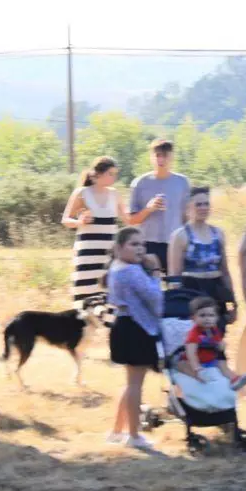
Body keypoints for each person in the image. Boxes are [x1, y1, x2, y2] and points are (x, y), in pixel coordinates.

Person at [103, 226, 163, 449]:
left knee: (130, 384)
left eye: (142, 245)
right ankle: (134, 435)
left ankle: (117, 431)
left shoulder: (116, 267)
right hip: (136, 328)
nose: (140, 249)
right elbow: (156, 299)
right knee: (136, 385)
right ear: (119, 248)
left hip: (124, 325)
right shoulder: (131, 271)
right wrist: (155, 271)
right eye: (134, 244)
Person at [167, 186, 236, 334]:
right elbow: (175, 275)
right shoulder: (180, 235)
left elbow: (225, 271)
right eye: (198, 204)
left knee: (217, 335)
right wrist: (177, 305)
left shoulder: (218, 233)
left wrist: (232, 301)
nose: (203, 208)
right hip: (191, 291)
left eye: (206, 204)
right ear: (189, 207)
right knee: (195, 337)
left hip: (216, 290)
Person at [62, 156, 121, 314]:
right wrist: (80, 222)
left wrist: (149, 209)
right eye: (110, 173)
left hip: (108, 255)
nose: (114, 177)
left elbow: (129, 219)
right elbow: (66, 219)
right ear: (98, 174)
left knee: (109, 299)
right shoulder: (82, 193)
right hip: (87, 254)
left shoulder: (115, 194)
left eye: (115, 174)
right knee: (83, 300)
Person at [127, 139, 191, 272]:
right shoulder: (139, 183)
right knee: (148, 283)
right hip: (147, 244)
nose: (161, 159)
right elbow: (131, 220)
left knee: (175, 283)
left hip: (175, 243)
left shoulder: (182, 182)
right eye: (157, 155)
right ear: (151, 157)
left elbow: (187, 217)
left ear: (172, 157)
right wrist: (148, 209)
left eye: (165, 155)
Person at [180, 296, 246, 390]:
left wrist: (221, 345)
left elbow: (218, 343)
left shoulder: (214, 330)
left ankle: (234, 379)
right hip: (196, 363)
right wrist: (196, 367)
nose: (207, 319)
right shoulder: (194, 333)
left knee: (221, 363)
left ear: (217, 318)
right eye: (202, 316)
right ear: (193, 318)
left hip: (210, 360)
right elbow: (191, 352)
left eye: (211, 316)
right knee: (185, 365)